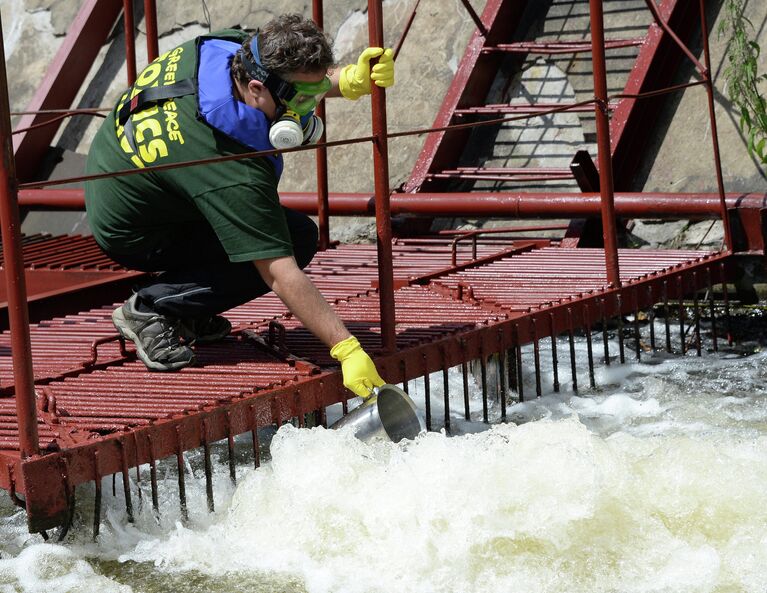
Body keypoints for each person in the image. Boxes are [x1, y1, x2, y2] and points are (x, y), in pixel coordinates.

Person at [84, 14, 394, 398]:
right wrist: (346, 349)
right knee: (294, 240)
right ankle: (152, 308)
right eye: (302, 99)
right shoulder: (226, 163)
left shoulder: (236, 49)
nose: (310, 108)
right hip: (136, 231)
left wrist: (343, 80)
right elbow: (279, 272)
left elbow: (284, 80)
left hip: (120, 175)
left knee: (279, 231)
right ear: (255, 88)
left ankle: (190, 308)